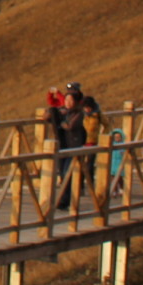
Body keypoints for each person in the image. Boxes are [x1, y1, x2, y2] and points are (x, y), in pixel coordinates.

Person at [52, 81, 91, 211]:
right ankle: (65, 199)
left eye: (70, 99)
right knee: (62, 173)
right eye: (66, 99)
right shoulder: (64, 111)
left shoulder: (78, 113)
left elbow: (71, 126)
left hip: (74, 146)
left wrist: (61, 122)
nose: (67, 102)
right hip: (63, 146)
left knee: (67, 172)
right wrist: (53, 112)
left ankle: (65, 200)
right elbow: (49, 116)